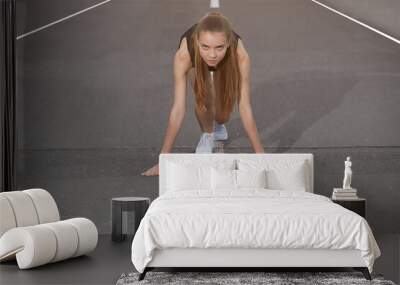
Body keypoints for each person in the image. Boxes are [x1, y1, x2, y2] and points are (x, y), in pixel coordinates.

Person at [142, 12, 264, 176]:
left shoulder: (240, 55)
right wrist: (162, 161)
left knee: (222, 115)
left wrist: (261, 156)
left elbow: (245, 107)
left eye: (219, 47)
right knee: (203, 97)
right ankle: (208, 134)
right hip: (197, 61)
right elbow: (178, 109)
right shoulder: (184, 55)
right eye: (205, 46)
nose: (212, 55)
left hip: (226, 62)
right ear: (197, 42)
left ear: (228, 43)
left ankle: (219, 126)